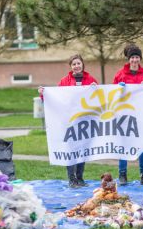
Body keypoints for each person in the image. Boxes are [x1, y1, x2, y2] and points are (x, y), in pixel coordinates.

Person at [38, 54, 98, 188]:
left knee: (82, 150)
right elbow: (56, 98)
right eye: (74, 64)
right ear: (71, 67)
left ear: (82, 64)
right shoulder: (64, 81)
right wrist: (44, 94)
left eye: (78, 63)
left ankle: (80, 178)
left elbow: (98, 99)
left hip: (85, 121)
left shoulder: (91, 80)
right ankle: (72, 179)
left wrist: (97, 90)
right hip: (69, 121)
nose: (76, 66)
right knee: (70, 149)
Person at [112, 44, 143, 186]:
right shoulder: (120, 74)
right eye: (132, 57)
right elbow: (112, 94)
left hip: (141, 114)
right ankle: (122, 175)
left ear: (140, 58)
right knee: (124, 143)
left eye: (137, 57)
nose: (135, 60)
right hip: (124, 115)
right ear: (128, 59)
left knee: (142, 145)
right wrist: (119, 89)